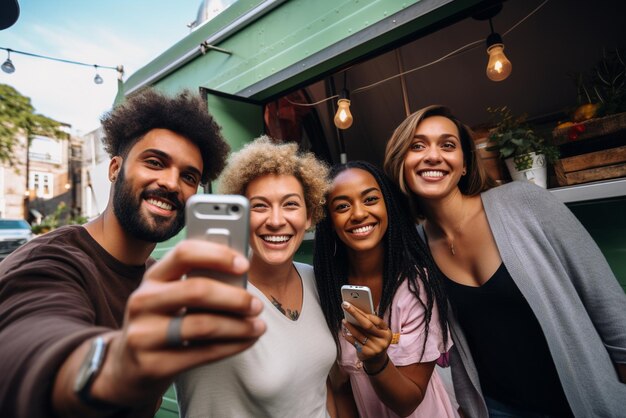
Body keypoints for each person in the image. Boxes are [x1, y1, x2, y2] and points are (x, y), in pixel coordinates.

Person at [0, 89, 267, 418]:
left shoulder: (158, 280)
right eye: (155, 162)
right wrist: (115, 366)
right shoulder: (50, 261)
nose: (171, 183)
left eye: (188, 177)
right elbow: (31, 345)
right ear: (115, 168)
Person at [383, 104, 626, 417]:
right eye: (417, 146)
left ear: (465, 164)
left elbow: (604, 299)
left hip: (584, 400)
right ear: (400, 162)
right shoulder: (414, 250)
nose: (433, 155)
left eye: (447, 145)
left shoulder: (525, 202)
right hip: (499, 410)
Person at [175, 135, 337, 417]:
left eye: (290, 205)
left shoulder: (316, 280)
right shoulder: (206, 293)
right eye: (259, 206)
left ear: (309, 216)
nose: (275, 221)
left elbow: (320, 389)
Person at [313, 160, 458, 418]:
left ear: (387, 206)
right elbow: (341, 387)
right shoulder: (327, 290)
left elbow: (408, 402)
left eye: (370, 200)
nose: (358, 214)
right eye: (343, 206)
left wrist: (377, 360)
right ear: (330, 222)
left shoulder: (415, 288)